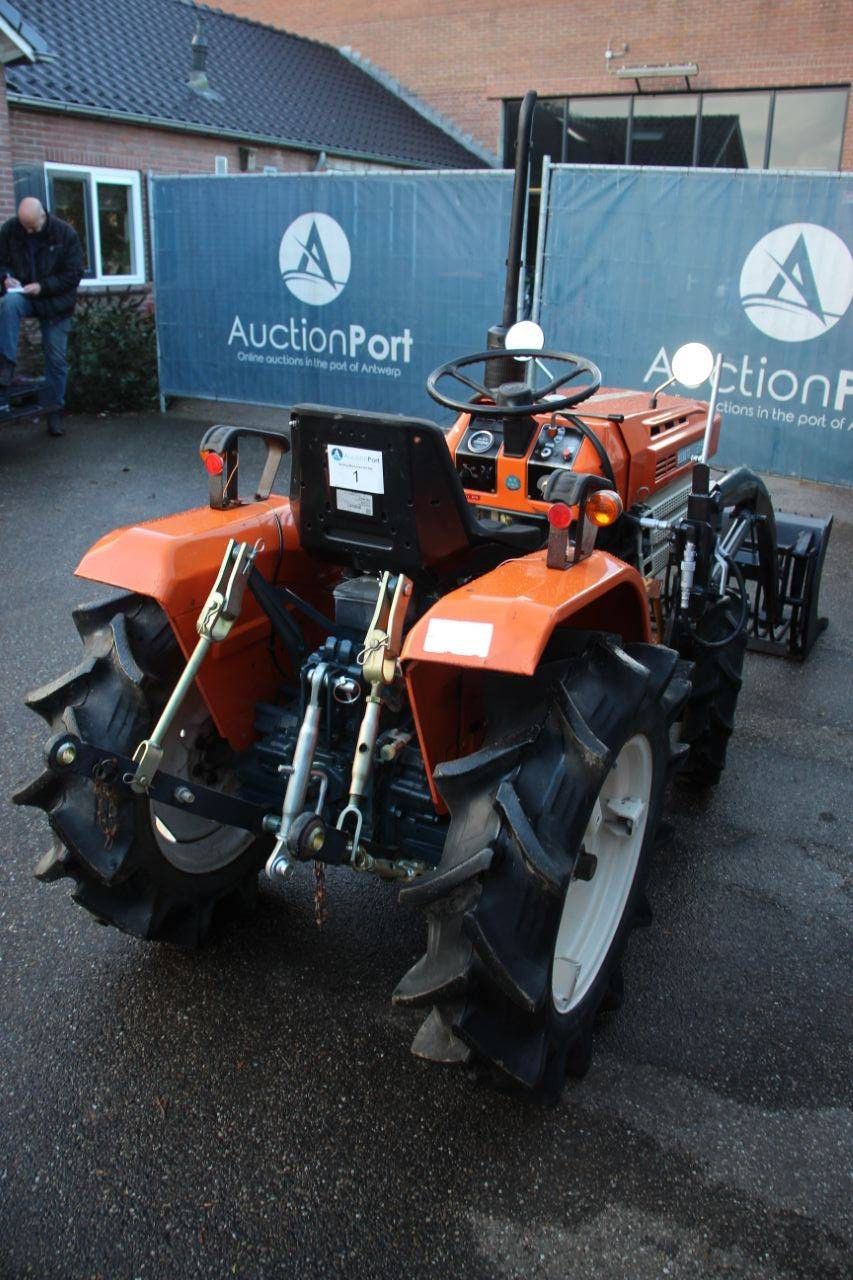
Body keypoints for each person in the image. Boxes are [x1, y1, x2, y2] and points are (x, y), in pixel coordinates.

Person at [0, 197, 84, 436]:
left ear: (43, 216)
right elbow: (0, 262)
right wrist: (6, 277)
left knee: (55, 359)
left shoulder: (64, 234)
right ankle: (5, 365)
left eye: (32, 226)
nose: (28, 231)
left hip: (56, 302)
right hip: (24, 294)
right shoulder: (10, 230)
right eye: (24, 226)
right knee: (9, 303)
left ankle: (55, 410)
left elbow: (73, 274)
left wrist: (43, 286)